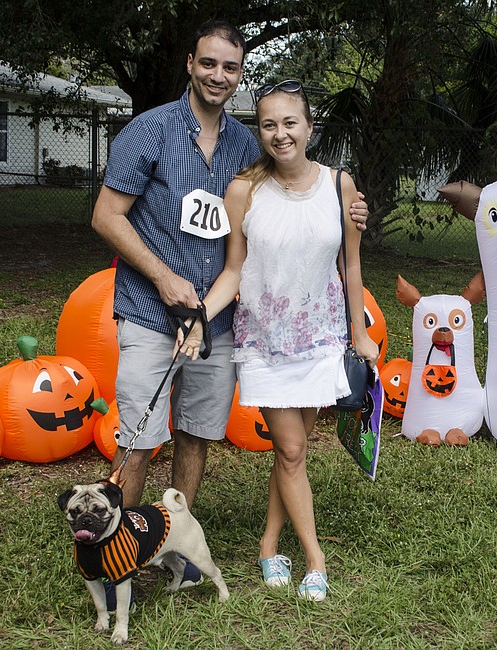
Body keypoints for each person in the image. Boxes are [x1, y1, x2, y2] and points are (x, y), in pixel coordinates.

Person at [91, 21, 368, 597]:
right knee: (140, 439)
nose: (218, 75)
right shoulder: (150, 131)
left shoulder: (247, 146)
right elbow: (106, 216)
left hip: (217, 321)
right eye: (209, 63)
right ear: (190, 64)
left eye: (230, 67)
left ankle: (175, 550)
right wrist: (164, 278)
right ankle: (121, 558)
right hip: (150, 308)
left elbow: (295, 202)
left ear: (240, 75)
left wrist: (349, 209)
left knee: (196, 434)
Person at [177, 79, 379, 602]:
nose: (280, 133)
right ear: (259, 131)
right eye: (268, 124)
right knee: (291, 449)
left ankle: (269, 544)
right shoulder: (243, 190)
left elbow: (351, 264)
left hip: (321, 339)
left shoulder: (340, 185)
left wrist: (359, 334)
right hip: (264, 342)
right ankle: (315, 558)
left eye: (290, 122)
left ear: (309, 127)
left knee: (293, 455)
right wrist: (200, 318)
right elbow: (234, 269)